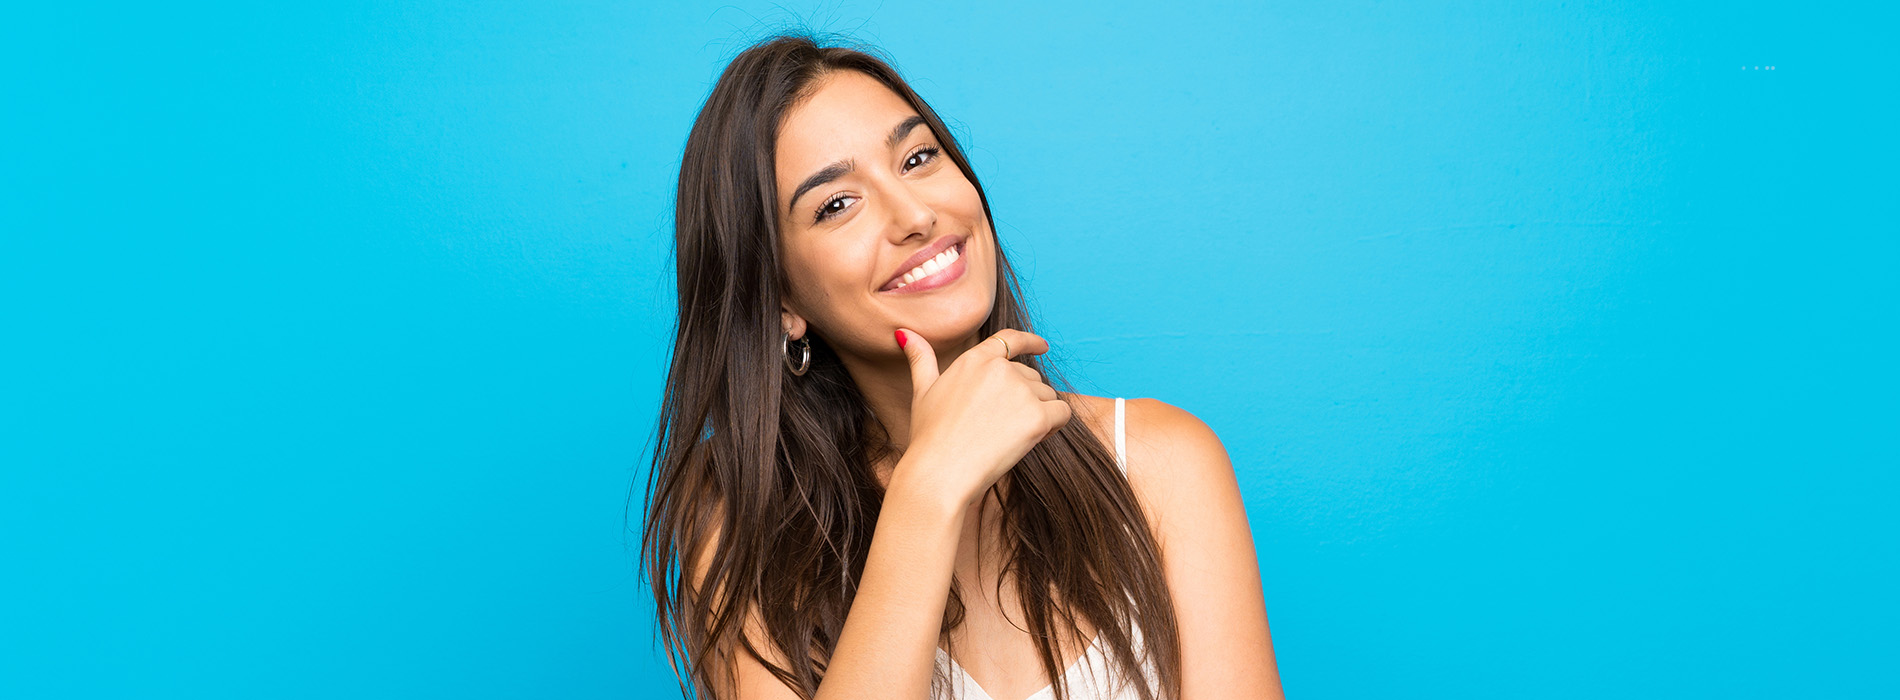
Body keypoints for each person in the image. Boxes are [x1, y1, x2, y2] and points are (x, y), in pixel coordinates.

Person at [641, 32, 1285, 700]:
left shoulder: (1162, 466)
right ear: (781, 300)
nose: (916, 215)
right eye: (836, 204)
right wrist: (929, 491)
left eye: (919, 157)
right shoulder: (739, 513)